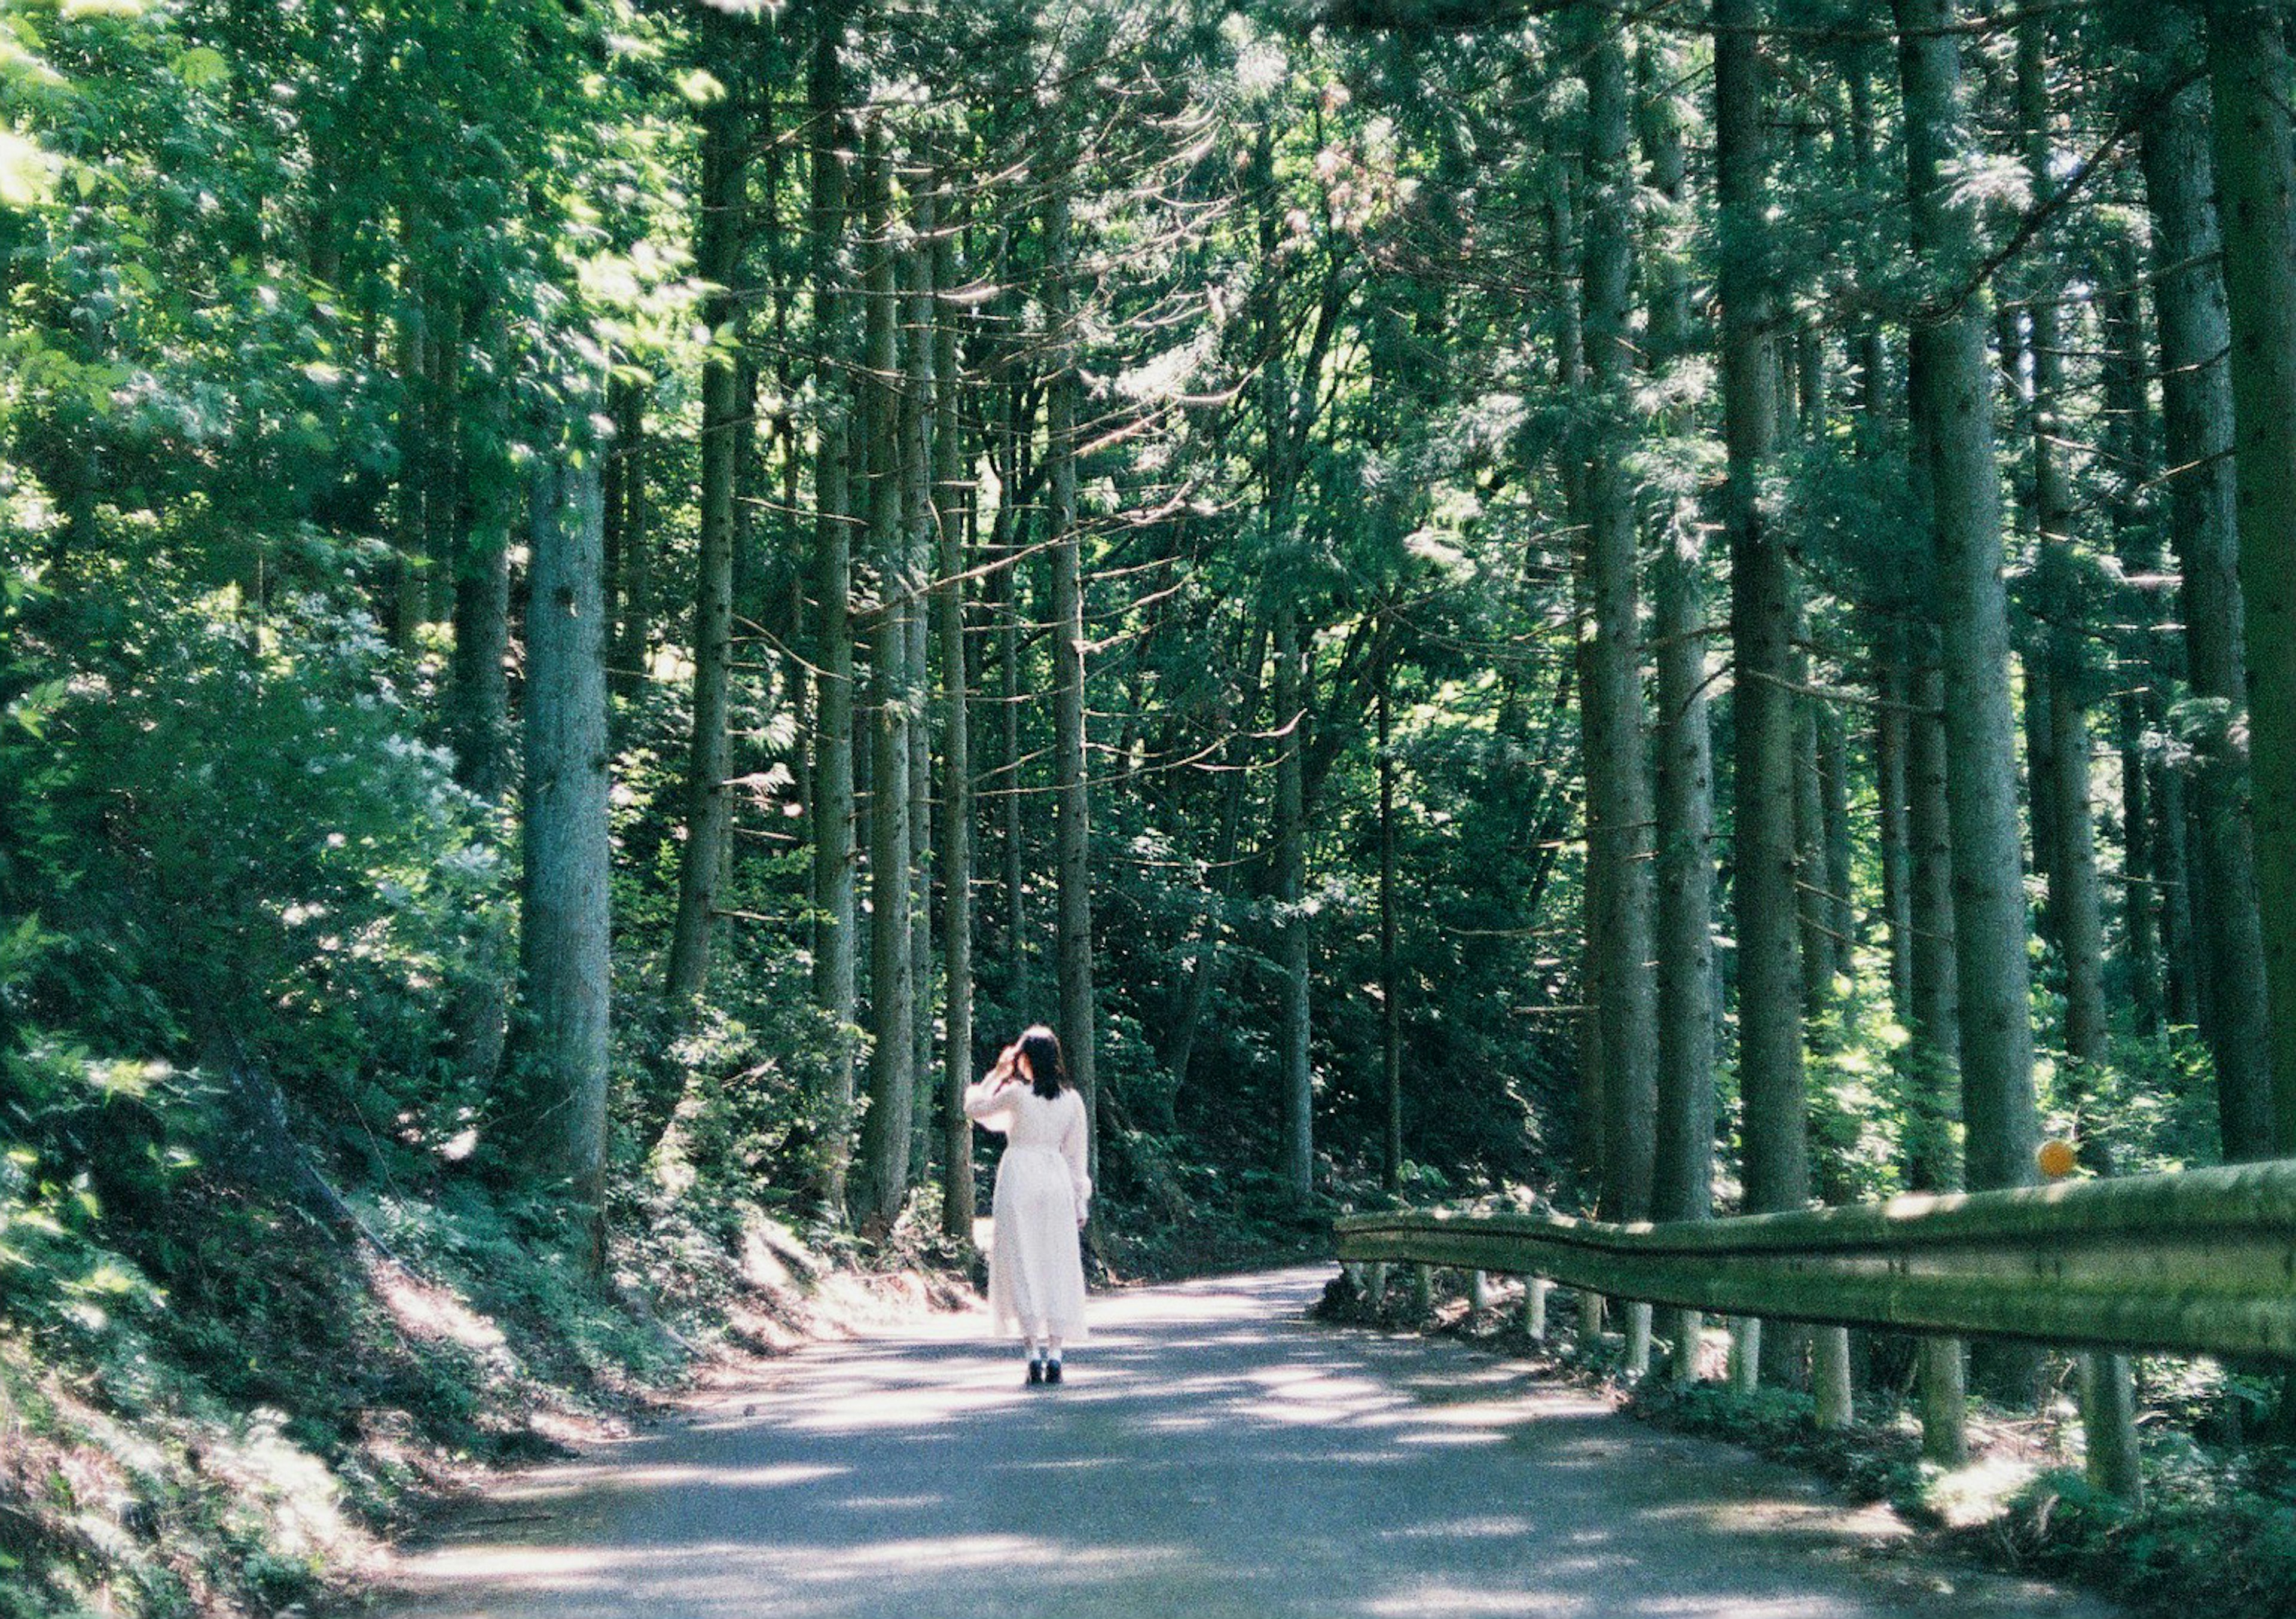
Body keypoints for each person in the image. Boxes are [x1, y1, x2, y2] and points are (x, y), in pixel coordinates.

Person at [963, 1024, 1091, 1386]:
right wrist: (1080, 1202)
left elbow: (974, 1108)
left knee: (1023, 1262)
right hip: (1054, 1180)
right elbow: (1076, 1158)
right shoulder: (1072, 1101)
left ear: (1026, 1060)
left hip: (1019, 1177)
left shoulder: (1017, 1095)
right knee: (1057, 1263)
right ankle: (1056, 1353)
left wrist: (996, 1075)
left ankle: (1032, 1352)